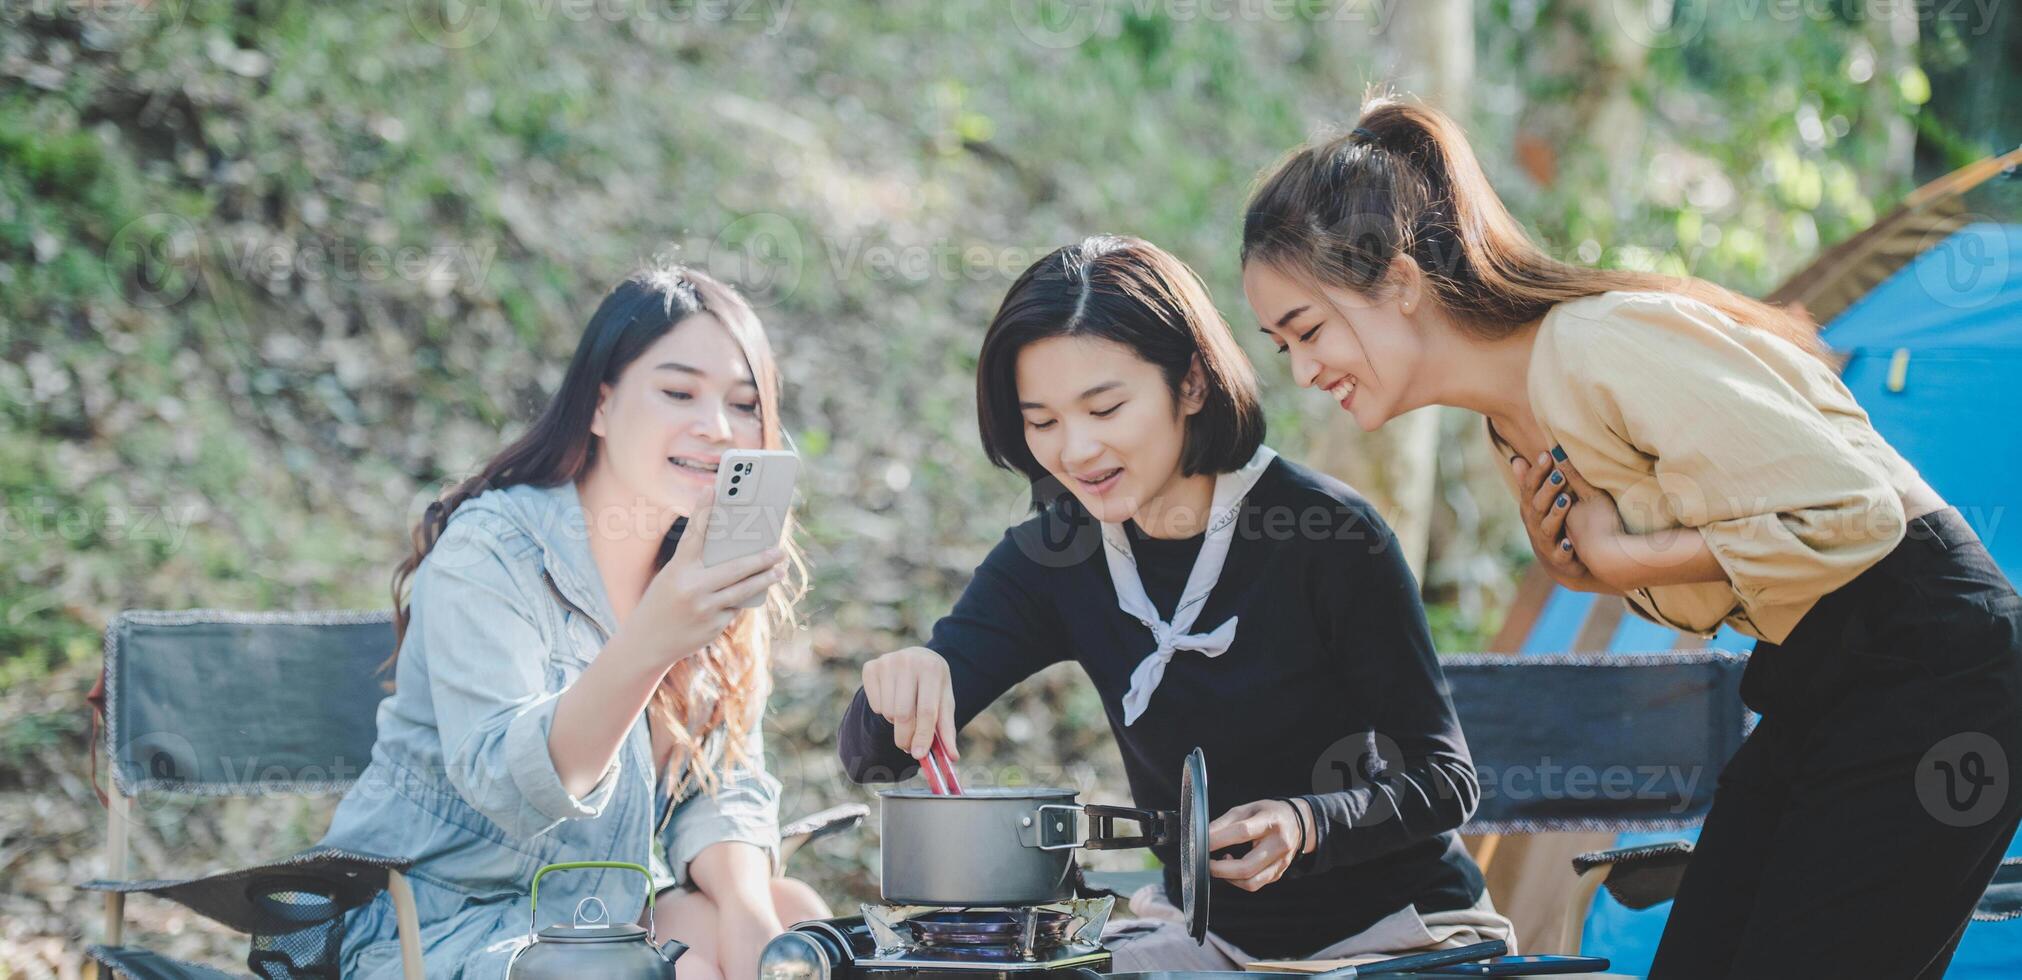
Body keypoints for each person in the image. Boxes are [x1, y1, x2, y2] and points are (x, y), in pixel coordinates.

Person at [1239, 96, 2022, 978]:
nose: (1304, 372)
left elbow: (1860, 517)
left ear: (1400, 280)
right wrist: (1582, 570)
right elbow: (1723, 549)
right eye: (1281, 347)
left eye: (1307, 330)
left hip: (1936, 656)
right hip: (1824, 671)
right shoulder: (1513, 418)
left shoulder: (1598, 344)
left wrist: (1626, 559)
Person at [837, 235, 1513, 971]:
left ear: (1190, 384)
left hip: (1399, 937)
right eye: (1043, 421)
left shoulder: (1327, 536)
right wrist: (897, 687)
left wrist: (1306, 821)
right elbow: (873, 759)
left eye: (1106, 407)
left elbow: (1446, 779)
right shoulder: (1053, 558)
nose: (1077, 450)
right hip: (1203, 944)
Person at [318, 263, 829, 980]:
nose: (717, 428)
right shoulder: (491, 553)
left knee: (793, 921)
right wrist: (651, 640)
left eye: (744, 405)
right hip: (435, 928)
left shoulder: (707, 559)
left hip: (597, 915)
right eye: (678, 391)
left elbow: (724, 782)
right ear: (599, 405)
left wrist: (747, 909)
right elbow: (510, 786)